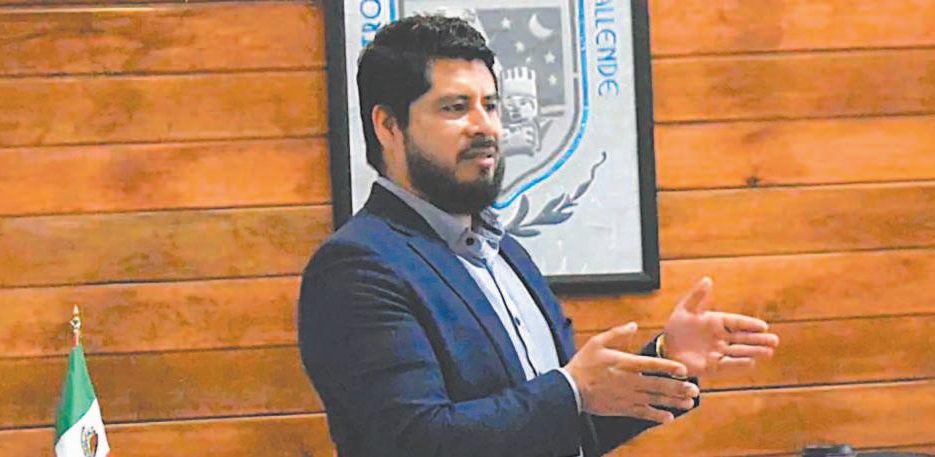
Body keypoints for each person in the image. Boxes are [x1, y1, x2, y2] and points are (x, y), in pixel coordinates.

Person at [298, 15, 779, 457]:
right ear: (388, 126)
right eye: (455, 107)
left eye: (490, 105)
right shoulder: (358, 267)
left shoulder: (506, 254)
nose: (484, 126)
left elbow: (565, 427)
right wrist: (571, 390)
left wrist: (667, 359)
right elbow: (414, 441)